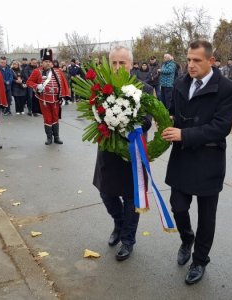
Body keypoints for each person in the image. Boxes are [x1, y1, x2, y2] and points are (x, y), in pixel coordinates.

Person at [162, 40, 232, 285]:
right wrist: (168, 119)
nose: (191, 65)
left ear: (211, 61)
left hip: (208, 159)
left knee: (207, 217)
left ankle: (200, 260)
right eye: (189, 60)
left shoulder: (226, 88)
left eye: (197, 60)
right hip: (182, 158)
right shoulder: (182, 83)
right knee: (178, 206)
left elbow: (221, 127)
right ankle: (186, 238)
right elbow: (174, 110)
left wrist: (184, 134)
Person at [93, 46, 153, 262]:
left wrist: (123, 120)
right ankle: (118, 224)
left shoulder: (144, 89)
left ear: (131, 64)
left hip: (132, 151)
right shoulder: (102, 89)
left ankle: (128, 240)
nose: (118, 67)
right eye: (114, 63)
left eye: (122, 63)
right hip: (108, 151)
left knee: (131, 197)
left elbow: (147, 120)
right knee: (106, 193)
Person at [26, 49, 70, 145]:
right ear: (42, 62)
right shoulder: (37, 71)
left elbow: (63, 84)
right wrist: (37, 86)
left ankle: (57, 137)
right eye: (46, 61)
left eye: (49, 61)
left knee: (55, 118)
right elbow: (29, 82)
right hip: (44, 100)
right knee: (47, 119)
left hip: (56, 100)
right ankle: (49, 138)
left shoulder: (57, 71)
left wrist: (63, 97)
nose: (48, 63)